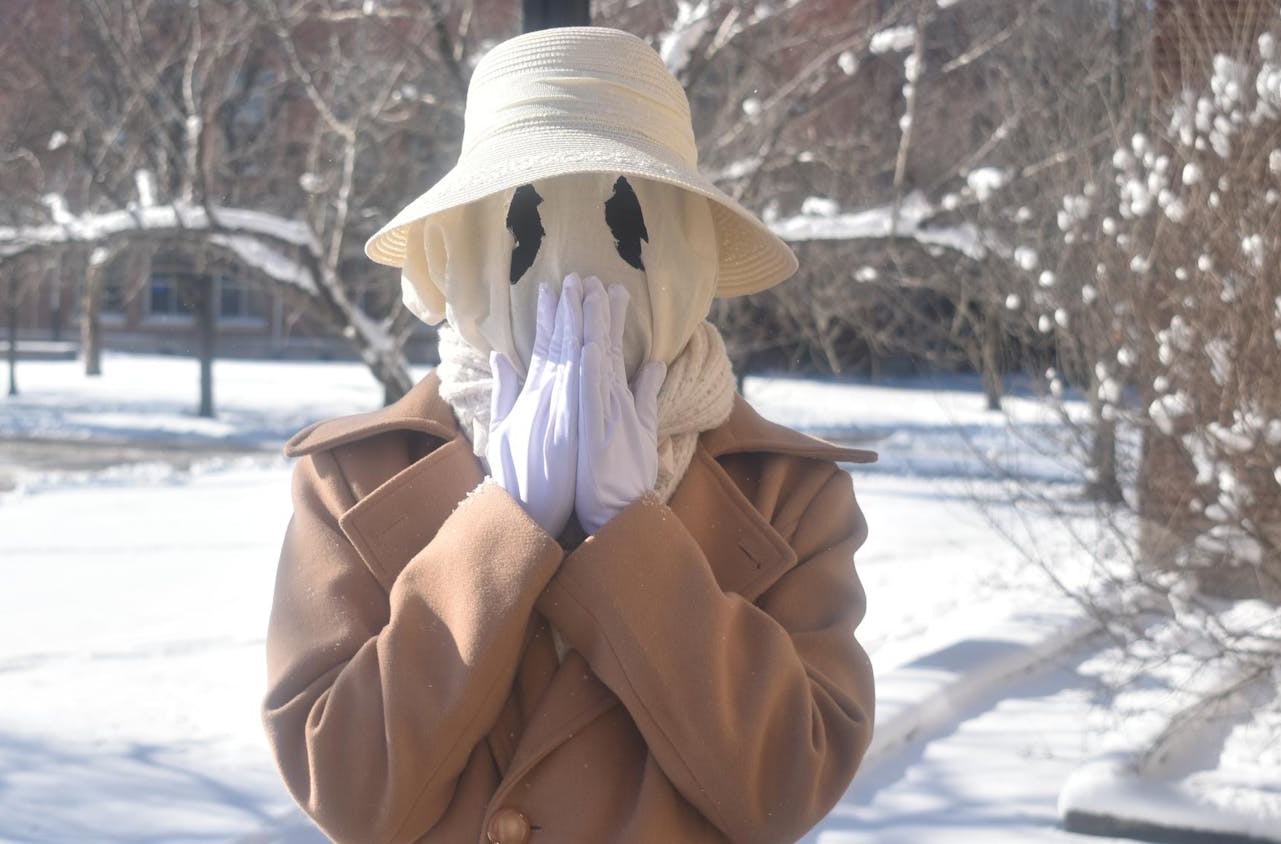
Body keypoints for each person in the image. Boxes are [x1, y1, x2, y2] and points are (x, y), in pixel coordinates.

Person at [262, 25, 877, 844]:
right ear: (457, 250)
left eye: (632, 231)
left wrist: (633, 540)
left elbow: (785, 786)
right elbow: (345, 788)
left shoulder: (791, 497)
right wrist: (501, 526)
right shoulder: (353, 479)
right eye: (523, 230)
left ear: (688, 250)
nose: (575, 275)